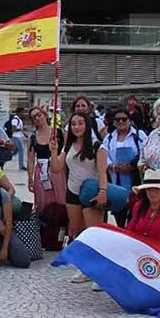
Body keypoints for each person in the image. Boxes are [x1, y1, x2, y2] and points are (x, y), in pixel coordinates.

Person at [50, 112, 107, 286]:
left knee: (94, 233)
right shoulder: (69, 147)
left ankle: (100, 271)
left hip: (91, 192)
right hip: (72, 191)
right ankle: (85, 268)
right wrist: (53, 152)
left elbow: (103, 172)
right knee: (78, 232)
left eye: (80, 123)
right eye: (73, 124)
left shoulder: (98, 147)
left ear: (87, 125)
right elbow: (56, 168)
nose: (76, 127)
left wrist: (103, 191)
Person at [102, 107, 147, 227]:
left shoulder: (139, 135)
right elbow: (103, 155)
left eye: (124, 119)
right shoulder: (109, 138)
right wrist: (113, 166)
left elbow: (146, 153)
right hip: (116, 181)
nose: (121, 122)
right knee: (120, 218)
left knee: (136, 215)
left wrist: (132, 166)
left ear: (129, 120)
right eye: (117, 119)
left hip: (135, 180)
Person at [26, 106, 67, 215]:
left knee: (60, 200)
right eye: (34, 117)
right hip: (41, 171)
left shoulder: (59, 132)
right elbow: (30, 159)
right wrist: (30, 177)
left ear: (44, 115)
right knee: (43, 202)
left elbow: (66, 151)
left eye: (39, 115)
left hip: (57, 169)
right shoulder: (33, 137)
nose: (37, 119)